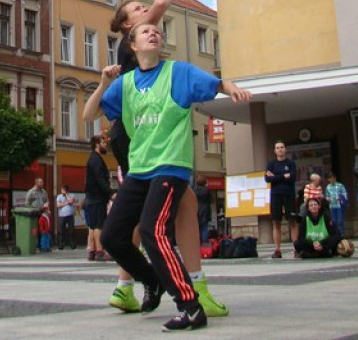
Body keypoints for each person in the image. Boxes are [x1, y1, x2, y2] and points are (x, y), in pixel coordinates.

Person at [87, 23, 253, 332]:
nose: (154, 33)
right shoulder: (125, 84)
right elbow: (88, 114)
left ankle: (191, 307)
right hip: (139, 169)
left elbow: (217, 84)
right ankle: (151, 280)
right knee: (111, 236)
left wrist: (232, 89)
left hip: (170, 166)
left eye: (157, 31)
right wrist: (102, 83)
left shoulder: (178, 72)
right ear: (133, 46)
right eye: (146, 31)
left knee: (153, 231)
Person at [101, 0, 228, 319]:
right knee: (167, 209)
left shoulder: (139, 54)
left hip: (133, 134)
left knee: (156, 209)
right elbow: (157, 9)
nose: (146, 15)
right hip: (137, 136)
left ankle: (128, 285)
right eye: (138, 12)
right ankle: (190, 287)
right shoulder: (131, 47)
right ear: (129, 28)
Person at [266, 141, 299, 259]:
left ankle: (296, 248)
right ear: (274, 150)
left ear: (285, 149)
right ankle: (277, 249)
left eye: (282, 147)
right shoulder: (271, 164)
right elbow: (267, 179)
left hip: (288, 194)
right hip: (275, 195)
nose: (280, 149)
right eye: (277, 148)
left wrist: (275, 177)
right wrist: (283, 176)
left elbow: (293, 177)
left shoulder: (291, 163)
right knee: (276, 222)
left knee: (292, 221)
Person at [84, 134, 114, 262]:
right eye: (103, 142)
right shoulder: (96, 160)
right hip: (97, 197)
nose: (105, 144)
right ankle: (100, 251)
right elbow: (100, 179)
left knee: (92, 225)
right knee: (98, 225)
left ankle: (91, 250)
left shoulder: (93, 158)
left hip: (92, 197)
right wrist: (110, 193)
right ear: (97, 144)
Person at [55, 184, 78, 249]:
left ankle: (72, 244)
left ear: (67, 190)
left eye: (64, 190)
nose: (62, 191)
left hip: (70, 215)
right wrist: (65, 203)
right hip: (62, 216)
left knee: (71, 231)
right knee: (62, 231)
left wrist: (66, 194)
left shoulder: (72, 195)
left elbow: (71, 201)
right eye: (62, 190)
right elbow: (58, 205)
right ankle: (61, 244)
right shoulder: (59, 196)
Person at [194, 175, 212, 245]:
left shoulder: (194, 190)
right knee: (204, 227)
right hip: (205, 209)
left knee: (197, 227)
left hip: (196, 209)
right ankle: (205, 243)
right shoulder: (206, 190)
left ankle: (197, 242)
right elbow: (210, 200)